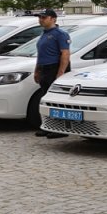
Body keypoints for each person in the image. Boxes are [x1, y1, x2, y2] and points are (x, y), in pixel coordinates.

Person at [33, 10, 70, 138]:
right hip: (44, 68)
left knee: (57, 100)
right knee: (45, 99)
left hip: (54, 68)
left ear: (53, 19)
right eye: (40, 17)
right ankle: (48, 126)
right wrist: (37, 70)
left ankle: (60, 129)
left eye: (44, 17)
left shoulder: (60, 34)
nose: (41, 19)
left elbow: (65, 54)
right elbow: (41, 54)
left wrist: (61, 73)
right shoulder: (44, 34)